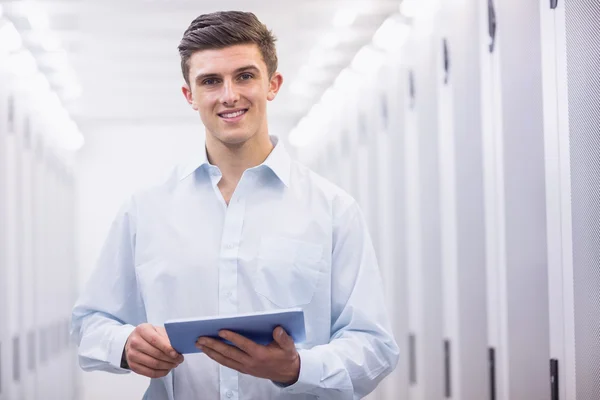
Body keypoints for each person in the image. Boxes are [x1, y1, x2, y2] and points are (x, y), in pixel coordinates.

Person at [70, 10, 399, 400]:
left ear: (272, 84)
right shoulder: (146, 210)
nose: (229, 95)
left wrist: (297, 368)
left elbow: (375, 345)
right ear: (189, 95)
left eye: (244, 76)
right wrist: (124, 345)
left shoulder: (333, 210)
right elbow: (90, 323)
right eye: (210, 81)